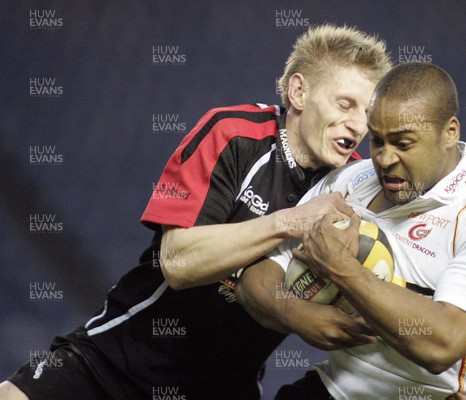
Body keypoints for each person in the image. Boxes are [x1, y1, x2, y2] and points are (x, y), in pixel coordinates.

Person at [0, 24, 392, 399]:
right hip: (118, 360)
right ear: (299, 92)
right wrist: (288, 222)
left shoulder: (351, 189)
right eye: (345, 104)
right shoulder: (232, 134)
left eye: (366, 113)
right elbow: (177, 262)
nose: (357, 124)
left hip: (222, 388)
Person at [236, 62, 466, 399]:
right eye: (378, 140)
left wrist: (342, 269)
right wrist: (294, 313)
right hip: (330, 389)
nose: (384, 159)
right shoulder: (348, 182)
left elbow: (443, 344)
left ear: (450, 132)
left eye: (403, 143)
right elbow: (255, 279)